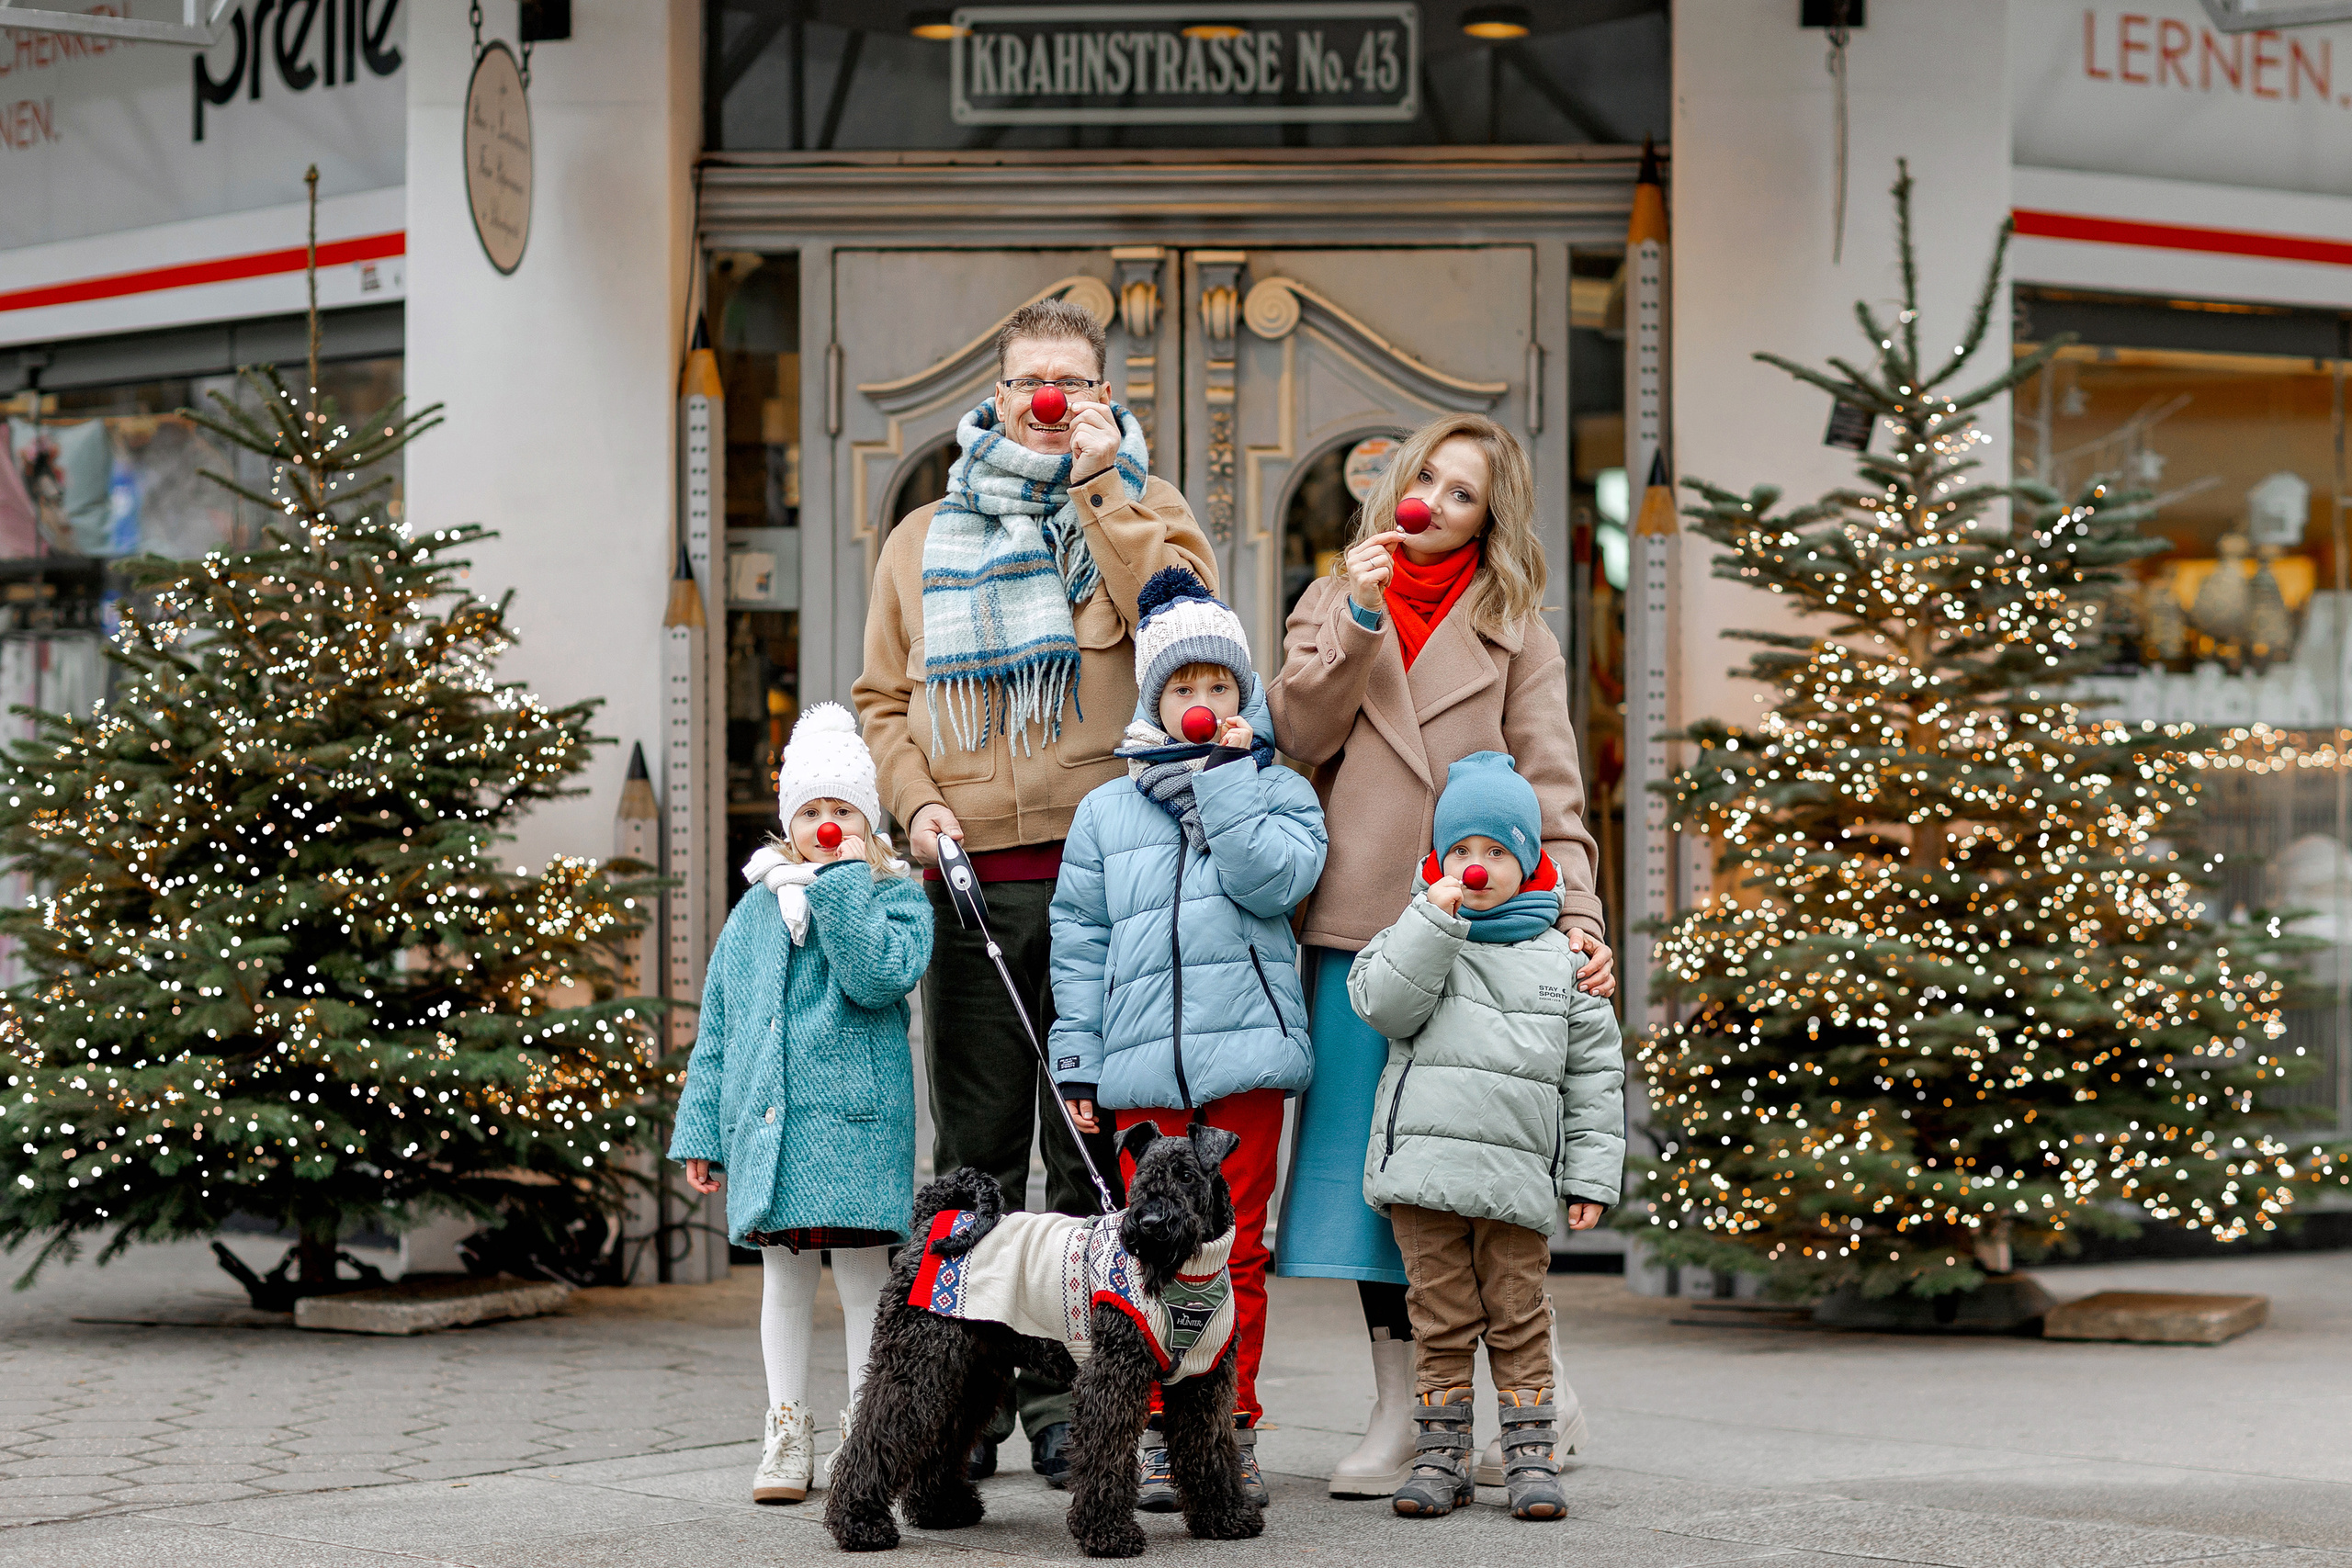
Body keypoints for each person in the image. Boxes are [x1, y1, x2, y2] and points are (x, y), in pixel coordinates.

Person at [853, 296, 1217, 1485]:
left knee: (1092, 1152)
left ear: (1103, 395)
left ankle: (1077, 1397)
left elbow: (1185, 617)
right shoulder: (921, 538)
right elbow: (883, 702)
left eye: (1071, 380)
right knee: (979, 1153)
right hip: (976, 888)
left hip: (1109, 878)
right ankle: (962, 1404)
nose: (1047, 400)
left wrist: (1105, 488)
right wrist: (920, 804)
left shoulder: (1144, 509)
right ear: (996, 395)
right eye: (1028, 383)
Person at [1264, 412, 1616, 1498]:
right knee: (1375, 1188)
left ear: (1486, 516)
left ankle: (1524, 1388)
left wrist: (1581, 918)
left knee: (1473, 1176)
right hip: (1361, 928)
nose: (1435, 501)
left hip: (1483, 940)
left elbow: (1555, 786)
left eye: (1461, 492)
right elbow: (1293, 737)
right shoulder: (1335, 594)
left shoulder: (1518, 626)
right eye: (1426, 478)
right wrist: (1360, 618)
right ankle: (1402, 1414)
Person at [1046, 567, 1327, 1511]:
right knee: (1149, 1257)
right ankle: (1162, 1436)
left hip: (1243, 1064)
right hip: (1142, 1072)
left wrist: (1231, 784)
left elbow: (1269, 887)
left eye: (1217, 686)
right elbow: (1080, 944)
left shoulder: (1279, 792)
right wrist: (1078, 1059)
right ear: (1154, 698)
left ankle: (1230, 1432)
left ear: (1242, 696)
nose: (1199, 703)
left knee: (1232, 1253)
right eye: (1181, 687)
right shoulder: (1105, 812)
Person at [668, 703, 934, 1506]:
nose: (826, 825)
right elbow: (720, 1024)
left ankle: (867, 1433)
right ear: (789, 819)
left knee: (861, 1282)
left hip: (854, 1128)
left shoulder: (895, 896)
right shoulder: (754, 910)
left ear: (868, 818)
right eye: (811, 811)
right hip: (772, 1131)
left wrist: (848, 881)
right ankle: (786, 1428)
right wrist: (702, 1128)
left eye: (842, 811)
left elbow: (877, 976)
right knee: (782, 1283)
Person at [1349, 752, 1624, 1521]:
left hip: (1515, 1182)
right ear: (1438, 859)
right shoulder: (1419, 932)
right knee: (1438, 1316)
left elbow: (1595, 1077)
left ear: (1530, 861)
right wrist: (1433, 919)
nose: (1479, 867)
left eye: (1498, 851)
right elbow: (1381, 1003)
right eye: (1462, 850)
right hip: (1427, 1179)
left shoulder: (1564, 961)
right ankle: (1442, 1453)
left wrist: (1592, 1175)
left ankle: (1532, 1450)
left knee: (1518, 1311)